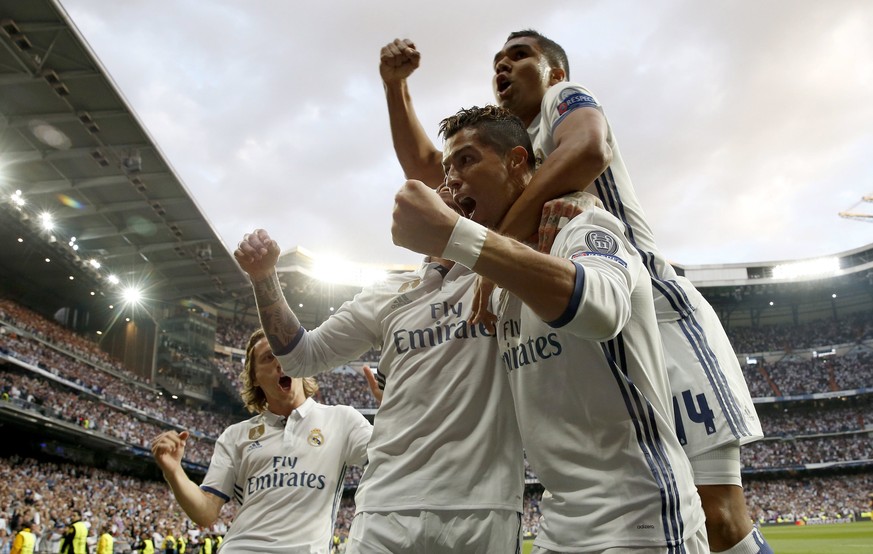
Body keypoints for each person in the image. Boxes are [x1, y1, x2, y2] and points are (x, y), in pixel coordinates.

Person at [381, 32, 770, 554]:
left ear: (555, 73)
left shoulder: (562, 102)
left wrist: (492, 254)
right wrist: (395, 89)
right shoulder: (512, 150)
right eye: (496, 60)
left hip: (654, 311)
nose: (503, 65)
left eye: (520, 56)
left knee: (719, 515)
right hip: (573, 328)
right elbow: (436, 172)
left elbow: (590, 148)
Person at [392, 104, 708, 553]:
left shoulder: (582, 224)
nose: (451, 179)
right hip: (558, 528)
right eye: (447, 169)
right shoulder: (494, 287)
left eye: (466, 160)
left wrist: (459, 239)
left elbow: (601, 310)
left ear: (517, 161)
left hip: (642, 522)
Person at [150, 328, 372, 553]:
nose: (281, 363)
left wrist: (394, 408)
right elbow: (206, 512)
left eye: (286, 354)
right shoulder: (235, 435)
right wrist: (174, 472)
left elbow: (392, 455)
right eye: (268, 357)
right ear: (254, 377)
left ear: (301, 363)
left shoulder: (342, 419)